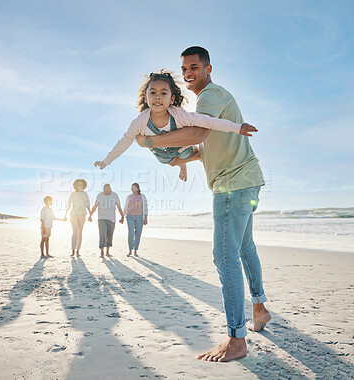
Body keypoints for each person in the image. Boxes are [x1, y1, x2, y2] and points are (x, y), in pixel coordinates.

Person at [136, 46, 271, 362]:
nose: (188, 74)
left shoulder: (209, 96)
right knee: (245, 247)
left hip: (232, 187)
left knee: (224, 257)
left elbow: (196, 131)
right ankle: (259, 307)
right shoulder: (214, 98)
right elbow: (204, 145)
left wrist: (152, 141)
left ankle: (236, 339)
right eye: (184, 69)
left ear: (208, 69)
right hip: (248, 180)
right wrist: (183, 158)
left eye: (194, 67)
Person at [94, 70, 257, 181]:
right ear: (145, 97)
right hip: (161, 153)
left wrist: (237, 127)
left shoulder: (179, 115)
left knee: (187, 154)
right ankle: (181, 165)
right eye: (153, 93)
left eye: (163, 93)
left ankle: (194, 158)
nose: (157, 97)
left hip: (181, 147)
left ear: (171, 99)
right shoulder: (140, 121)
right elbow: (124, 141)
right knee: (169, 162)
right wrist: (106, 161)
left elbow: (209, 121)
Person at [88, 184, 124, 258]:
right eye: (104, 189)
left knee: (109, 235)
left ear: (110, 189)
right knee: (102, 234)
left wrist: (122, 216)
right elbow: (95, 206)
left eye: (107, 189)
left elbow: (119, 206)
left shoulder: (115, 195)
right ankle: (101, 252)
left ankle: (107, 252)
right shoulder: (100, 195)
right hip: (102, 218)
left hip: (112, 219)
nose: (106, 191)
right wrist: (90, 215)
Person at [64, 179, 91, 257]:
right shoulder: (73, 194)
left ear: (84, 185)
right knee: (75, 232)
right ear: (76, 185)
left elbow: (88, 204)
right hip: (73, 214)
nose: (80, 186)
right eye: (79, 184)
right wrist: (65, 215)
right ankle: (73, 250)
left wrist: (90, 215)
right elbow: (68, 204)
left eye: (82, 184)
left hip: (82, 214)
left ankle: (78, 251)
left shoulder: (85, 194)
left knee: (80, 233)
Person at [124, 183, 148, 257]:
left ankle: (135, 250)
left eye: (134, 188)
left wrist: (145, 218)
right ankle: (130, 250)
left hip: (140, 217)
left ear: (137, 188)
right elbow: (126, 207)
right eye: (132, 188)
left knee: (138, 234)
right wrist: (122, 216)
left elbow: (145, 208)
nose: (132, 189)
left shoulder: (142, 197)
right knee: (131, 233)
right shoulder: (129, 197)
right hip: (130, 216)